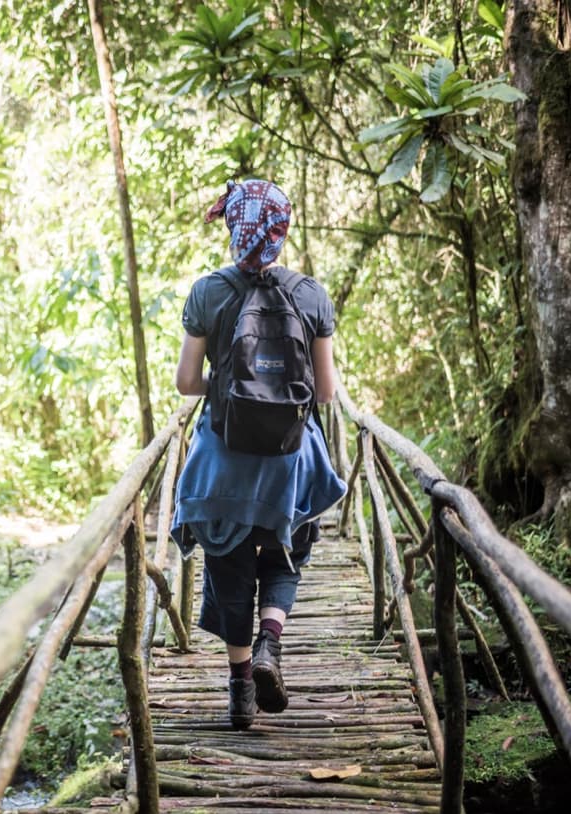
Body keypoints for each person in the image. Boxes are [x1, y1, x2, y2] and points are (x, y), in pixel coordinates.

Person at [170, 178, 347, 730]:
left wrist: (227, 386)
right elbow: (324, 393)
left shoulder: (208, 292)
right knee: (285, 553)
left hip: (222, 463)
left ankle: (240, 694)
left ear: (231, 228)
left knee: (228, 565)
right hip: (288, 463)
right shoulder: (310, 295)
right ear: (282, 231)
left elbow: (185, 381)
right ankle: (272, 641)